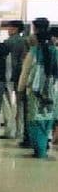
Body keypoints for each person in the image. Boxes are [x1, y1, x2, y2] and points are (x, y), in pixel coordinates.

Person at [17, 16, 58, 160]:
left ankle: (39, 150)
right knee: (47, 120)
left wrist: (20, 90)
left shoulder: (33, 52)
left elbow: (25, 73)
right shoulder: (56, 52)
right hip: (52, 92)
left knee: (34, 121)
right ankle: (43, 147)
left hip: (36, 92)